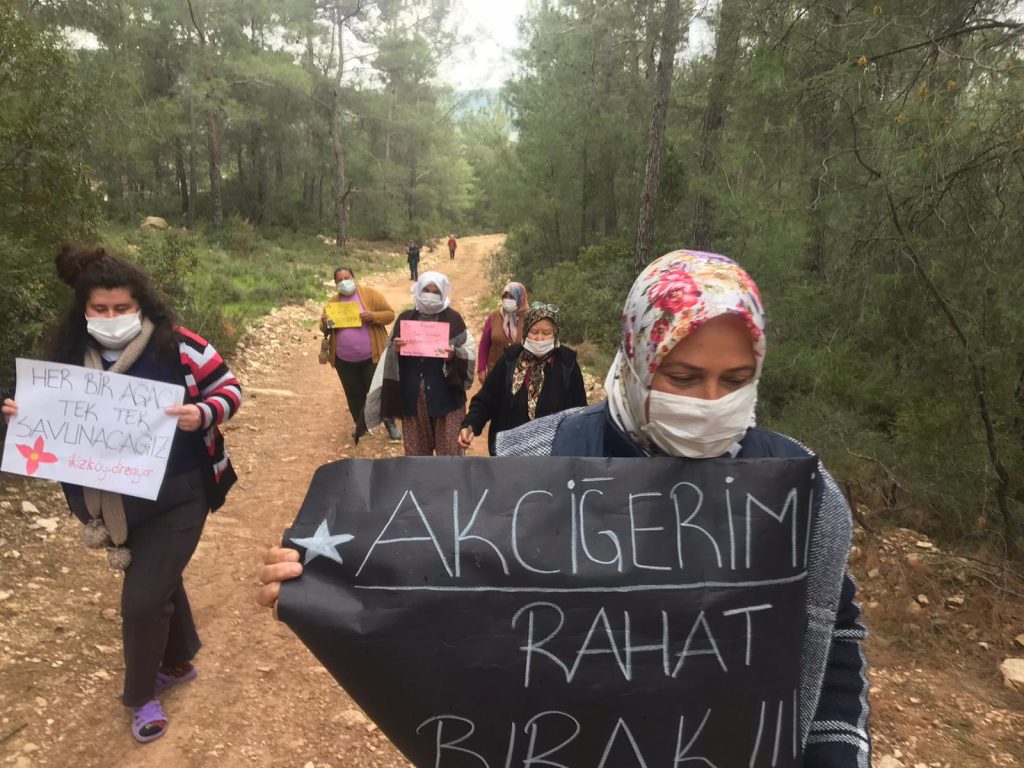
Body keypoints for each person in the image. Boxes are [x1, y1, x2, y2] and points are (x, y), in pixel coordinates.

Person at [257, 249, 870, 767]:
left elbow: (831, 633)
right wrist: (332, 582)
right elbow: (458, 599)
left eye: (735, 380)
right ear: (638, 360)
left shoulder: (803, 492)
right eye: (684, 377)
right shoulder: (536, 460)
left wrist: (839, 754)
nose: (711, 402)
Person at [3, 244, 242, 744]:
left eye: (122, 308)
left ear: (141, 304)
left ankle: (140, 696)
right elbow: (51, 418)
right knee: (157, 579)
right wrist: (24, 416)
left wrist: (203, 413)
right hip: (108, 504)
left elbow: (228, 387)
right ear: (84, 309)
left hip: (180, 494)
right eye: (100, 309)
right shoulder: (66, 356)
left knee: (141, 601)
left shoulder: (182, 347)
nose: (111, 318)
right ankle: (177, 661)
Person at [364, 271, 474, 456]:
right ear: (418, 291)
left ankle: (450, 478)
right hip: (413, 400)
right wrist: (395, 350)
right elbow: (388, 354)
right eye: (426, 290)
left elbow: (469, 351)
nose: (430, 296)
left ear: (443, 293)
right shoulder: (405, 319)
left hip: (448, 399)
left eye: (435, 292)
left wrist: (454, 355)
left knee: (451, 457)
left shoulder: (454, 319)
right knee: (416, 459)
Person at [459, 306, 587, 455]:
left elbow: (579, 413)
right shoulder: (509, 360)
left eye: (546, 333)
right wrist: (470, 425)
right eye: (534, 332)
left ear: (555, 334)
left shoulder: (567, 365)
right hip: (510, 452)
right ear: (525, 331)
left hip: (553, 455)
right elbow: (486, 399)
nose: (539, 338)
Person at [320, 267, 401, 443]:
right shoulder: (332, 303)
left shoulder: (370, 295)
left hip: (372, 357)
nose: (344, 282)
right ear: (336, 283)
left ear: (354, 278)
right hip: (344, 360)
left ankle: (390, 422)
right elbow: (324, 328)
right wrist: (325, 323)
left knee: (379, 391)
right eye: (340, 280)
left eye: (347, 277)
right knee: (353, 393)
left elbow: (389, 315)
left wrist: (373, 316)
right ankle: (360, 424)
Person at [476, 282, 528, 381]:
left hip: (519, 377)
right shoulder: (494, 316)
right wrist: (481, 369)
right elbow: (484, 344)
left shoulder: (530, 319)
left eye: (512, 297)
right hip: (494, 374)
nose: (508, 300)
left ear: (521, 298)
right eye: (505, 297)